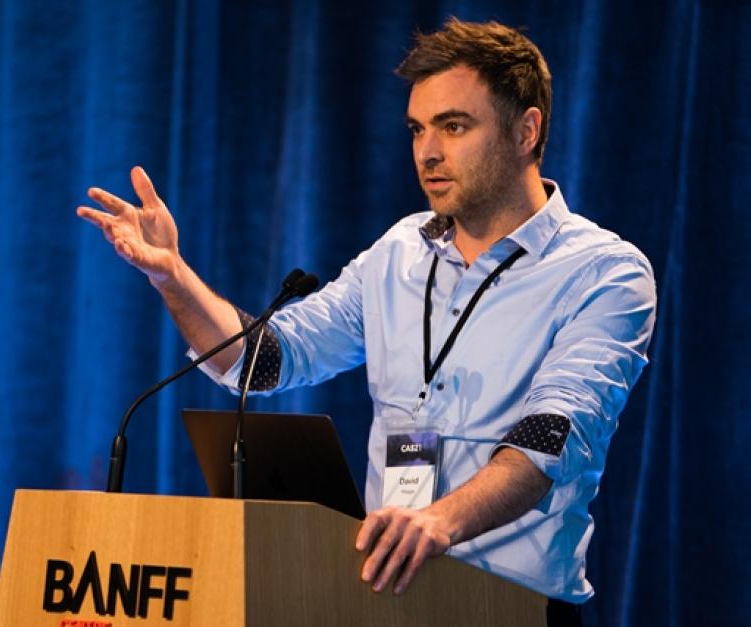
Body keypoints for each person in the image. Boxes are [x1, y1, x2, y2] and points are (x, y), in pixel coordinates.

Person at [77, 17, 656, 622]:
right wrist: (172, 275)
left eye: (454, 126)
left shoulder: (604, 273)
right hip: (385, 602)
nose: (428, 152)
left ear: (526, 130)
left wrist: (438, 521)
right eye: (417, 129)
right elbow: (264, 360)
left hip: (511, 607)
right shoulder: (399, 252)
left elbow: (549, 439)